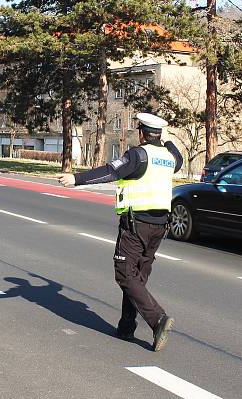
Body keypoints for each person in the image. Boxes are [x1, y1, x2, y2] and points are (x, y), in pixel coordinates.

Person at [57, 113, 183, 352]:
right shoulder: (169, 157)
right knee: (137, 276)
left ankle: (158, 319)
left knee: (125, 274)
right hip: (160, 226)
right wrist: (166, 141)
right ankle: (126, 327)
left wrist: (76, 178)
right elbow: (179, 157)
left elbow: (110, 171)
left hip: (137, 224)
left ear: (142, 133)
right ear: (159, 134)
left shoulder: (138, 155)